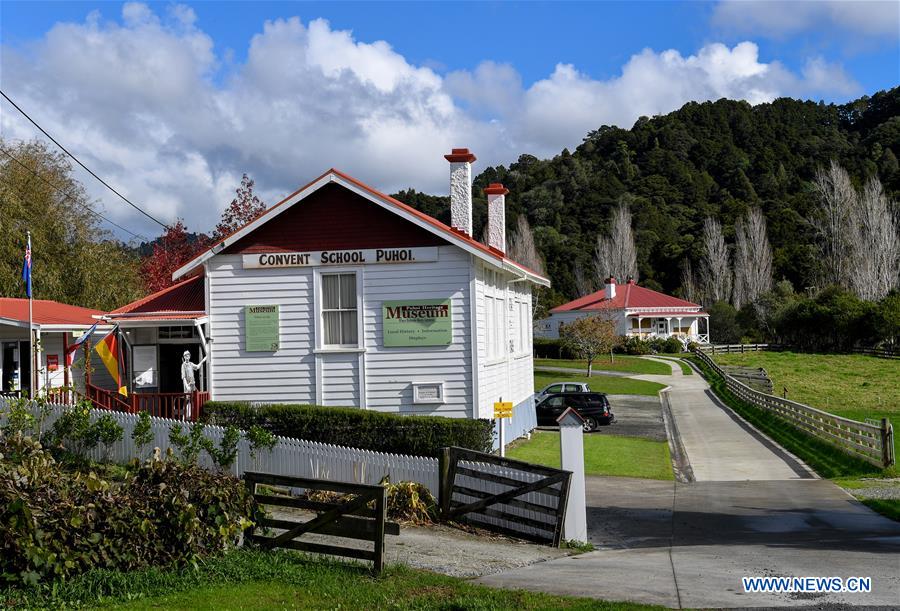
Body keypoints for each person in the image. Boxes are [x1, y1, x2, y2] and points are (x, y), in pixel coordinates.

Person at [181, 350, 207, 420]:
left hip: (193, 385)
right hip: (187, 385)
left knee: (194, 399)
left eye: (188, 355)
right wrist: (187, 386)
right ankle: (184, 417)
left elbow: (197, 367)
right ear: (184, 357)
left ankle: (192, 416)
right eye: (185, 356)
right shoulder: (183, 365)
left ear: (189, 356)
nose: (187, 357)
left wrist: (203, 360)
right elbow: (183, 377)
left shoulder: (191, 364)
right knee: (187, 400)